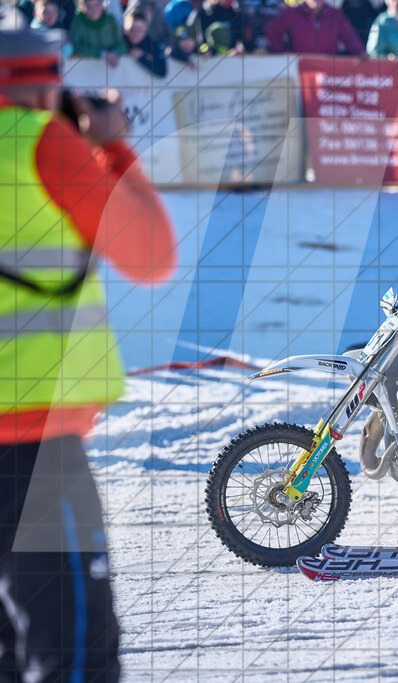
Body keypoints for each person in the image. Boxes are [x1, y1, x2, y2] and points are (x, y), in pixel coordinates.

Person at [0, 17, 176, 681]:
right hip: (33, 446)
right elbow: (152, 254)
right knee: (75, 651)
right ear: (43, 85)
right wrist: (112, 148)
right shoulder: (40, 142)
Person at [265, 0, 366, 55]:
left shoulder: (336, 15)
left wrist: (361, 53)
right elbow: (271, 30)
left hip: (328, 72)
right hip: (299, 71)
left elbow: (350, 38)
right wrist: (281, 52)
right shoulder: (292, 13)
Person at [186, 0, 252, 55]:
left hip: (232, 63)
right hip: (206, 63)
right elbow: (192, 43)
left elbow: (245, 41)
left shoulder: (237, 15)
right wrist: (207, 51)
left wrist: (240, 47)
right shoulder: (200, 15)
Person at [124, 7, 168, 75]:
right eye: (132, 28)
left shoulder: (152, 44)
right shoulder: (120, 41)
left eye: (140, 29)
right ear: (126, 29)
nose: (136, 33)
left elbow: (162, 70)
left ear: (146, 30)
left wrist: (141, 58)